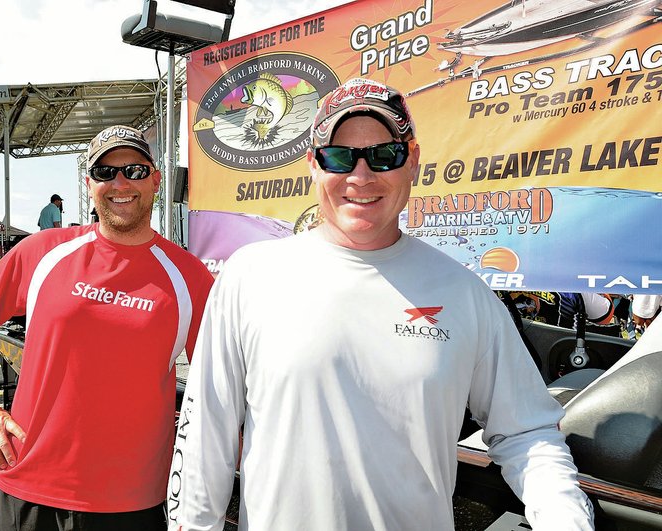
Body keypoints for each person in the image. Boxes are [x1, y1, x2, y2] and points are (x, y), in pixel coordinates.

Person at [167, 78, 594, 530]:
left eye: (384, 156)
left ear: (412, 162)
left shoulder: (466, 295)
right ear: (313, 165)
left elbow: (528, 432)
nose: (361, 176)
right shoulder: (249, 276)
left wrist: (566, 519)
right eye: (339, 157)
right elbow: (204, 439)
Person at [0, 124, 214, 530]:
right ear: (90, 184)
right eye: (106, 173)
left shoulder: (190, 276)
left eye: (135, 171)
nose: (120, 183)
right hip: (30, 483)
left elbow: (218, 381)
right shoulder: (44, 251)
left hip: (133, 498)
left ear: (156, 180)